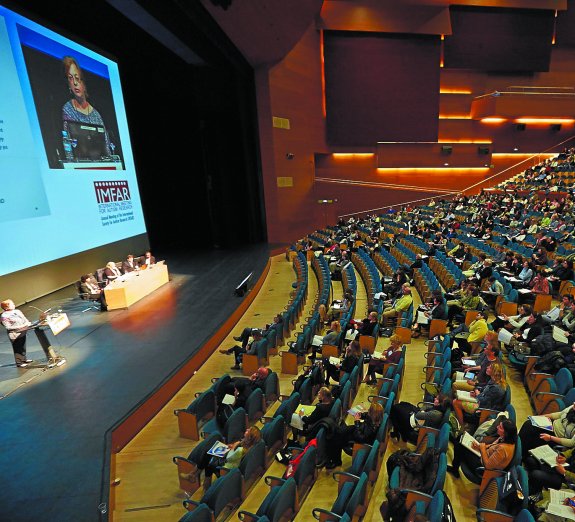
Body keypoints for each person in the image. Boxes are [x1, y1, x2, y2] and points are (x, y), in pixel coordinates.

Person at [179, 426, 261, 490]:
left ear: (249, 437)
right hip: (230, 460)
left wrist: (232, 446)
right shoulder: (245, 446)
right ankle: (198, 476)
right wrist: (231, 446)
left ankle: (195, 474)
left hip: (225, 469)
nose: (246, 429)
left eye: (248, 431)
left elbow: (229, 457)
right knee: (210, 450)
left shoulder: (240, 449)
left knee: (208, 457)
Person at [61, 56, 112, 158]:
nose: (75, 83)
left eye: (77, 78)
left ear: (84, 82)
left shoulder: (96, 115)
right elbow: (69, 147)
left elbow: (106, 148)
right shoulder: (67, 109)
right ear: (68, 84)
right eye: (70, 78)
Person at [0, 299, 66, 368]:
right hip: (15, 334)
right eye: (11, 304)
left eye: (13, 303)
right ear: (6, 307)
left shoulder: (17, 311)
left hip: (23, 331)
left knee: (23, 346)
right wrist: (22, 326)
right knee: (18, 348)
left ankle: (24, 360)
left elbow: (24, 318)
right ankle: (19, 363)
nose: (14, 304)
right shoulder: (4, 316)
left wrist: (27, 323)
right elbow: (8, 327)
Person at [447, 419, 517, 478]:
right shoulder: (503, 438)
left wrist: (482, 448)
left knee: (459, 445)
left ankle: (454, 470)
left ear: (506, 433)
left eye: (500, 427)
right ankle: (455, 441)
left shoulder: (503, 449)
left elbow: (488, 466)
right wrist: (479, 446)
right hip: (483, 455)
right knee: (461, 437)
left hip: (481, 468)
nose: (497, 427)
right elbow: (491, 446)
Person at [326, 402, 384, 468]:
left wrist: (357, 422)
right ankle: (334, 458)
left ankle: (336, 462)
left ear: (372, 413)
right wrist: (360, 415)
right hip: (359, 429)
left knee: (337, 438)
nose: (368, 410)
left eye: (369, 410)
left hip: (358, 440)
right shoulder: (377, 419)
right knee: (338, 431)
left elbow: (360, 438)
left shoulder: (372, 428)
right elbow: (367, 416)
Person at [452, 361, 507, 426]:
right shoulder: (493, 380)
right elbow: (484, 390)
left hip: (483, 408)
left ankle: (461, 426)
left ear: (494, 372)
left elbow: (483, 401)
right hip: (480, 400)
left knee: (455, 402)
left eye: (489, 368)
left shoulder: (496, 388)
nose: (487, 367)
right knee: (458, 396)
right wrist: (477, 392)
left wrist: (477, 393)